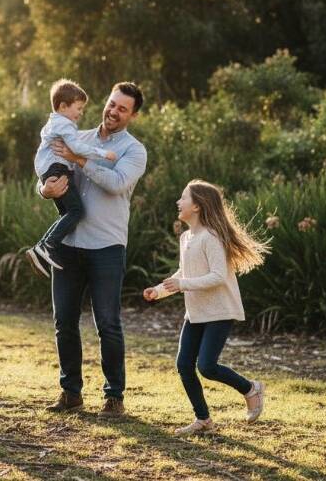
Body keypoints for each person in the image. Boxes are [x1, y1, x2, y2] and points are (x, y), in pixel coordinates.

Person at [39, 81, 147, 418]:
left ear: (132, 115)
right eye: (112, 104)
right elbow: (48, 166)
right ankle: (71, 393)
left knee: (108, 324)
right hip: (69, 246)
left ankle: (114, 396)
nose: (113, 111)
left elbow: (116, 184)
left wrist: (80, 161)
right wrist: (44, 189)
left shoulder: (134, 150)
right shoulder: (76, 135)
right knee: (64, 322)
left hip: (106, 246)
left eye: (122, 108)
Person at [143, 180, 270, 436]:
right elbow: (183, 273)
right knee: (184, 365)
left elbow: (218, 276)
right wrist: (159, 290)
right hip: (196, 313)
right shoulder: (187, 237)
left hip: (219, 311)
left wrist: (183, 284)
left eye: (183, 198)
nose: (178, 202)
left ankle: (250, 389)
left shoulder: (211, 237)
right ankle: (203, 420)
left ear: (198, 206)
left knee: (207, 366)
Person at [27, 79, 117, 277]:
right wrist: (103, 154)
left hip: (50, 171)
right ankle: (46, 246)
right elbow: (76, 148)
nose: (81, 113)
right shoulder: (64, 125)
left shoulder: (54, 124)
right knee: (77, 211)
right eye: (78, 108)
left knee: (67, 214)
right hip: (57, 170)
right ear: (63, 106)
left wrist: (44, 185)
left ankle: (42, 250)